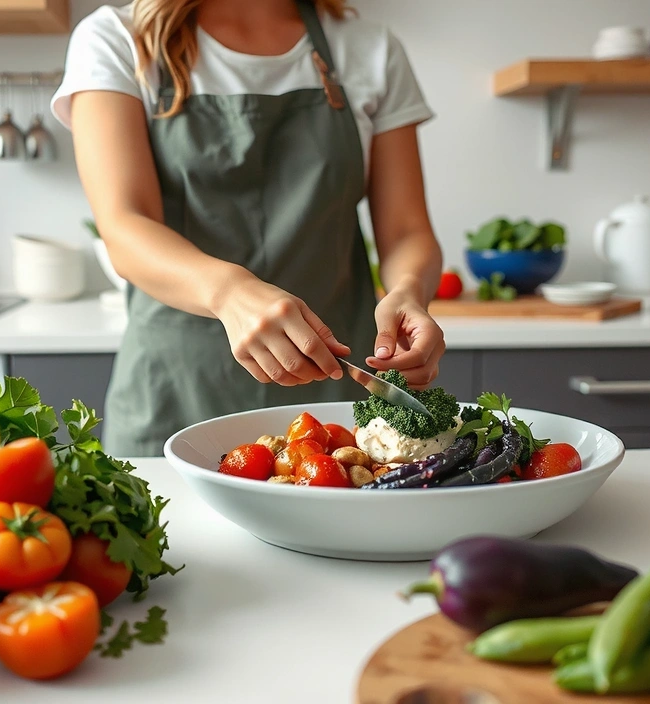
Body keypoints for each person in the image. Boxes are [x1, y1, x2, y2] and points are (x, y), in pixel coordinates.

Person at [51, 0, 446, 457]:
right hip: (175, 394)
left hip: (336, 401)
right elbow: (124, 225)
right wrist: (229, 291)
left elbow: (406, 230)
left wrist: (409, 291)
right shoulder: (118, 39)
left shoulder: (370, 49)